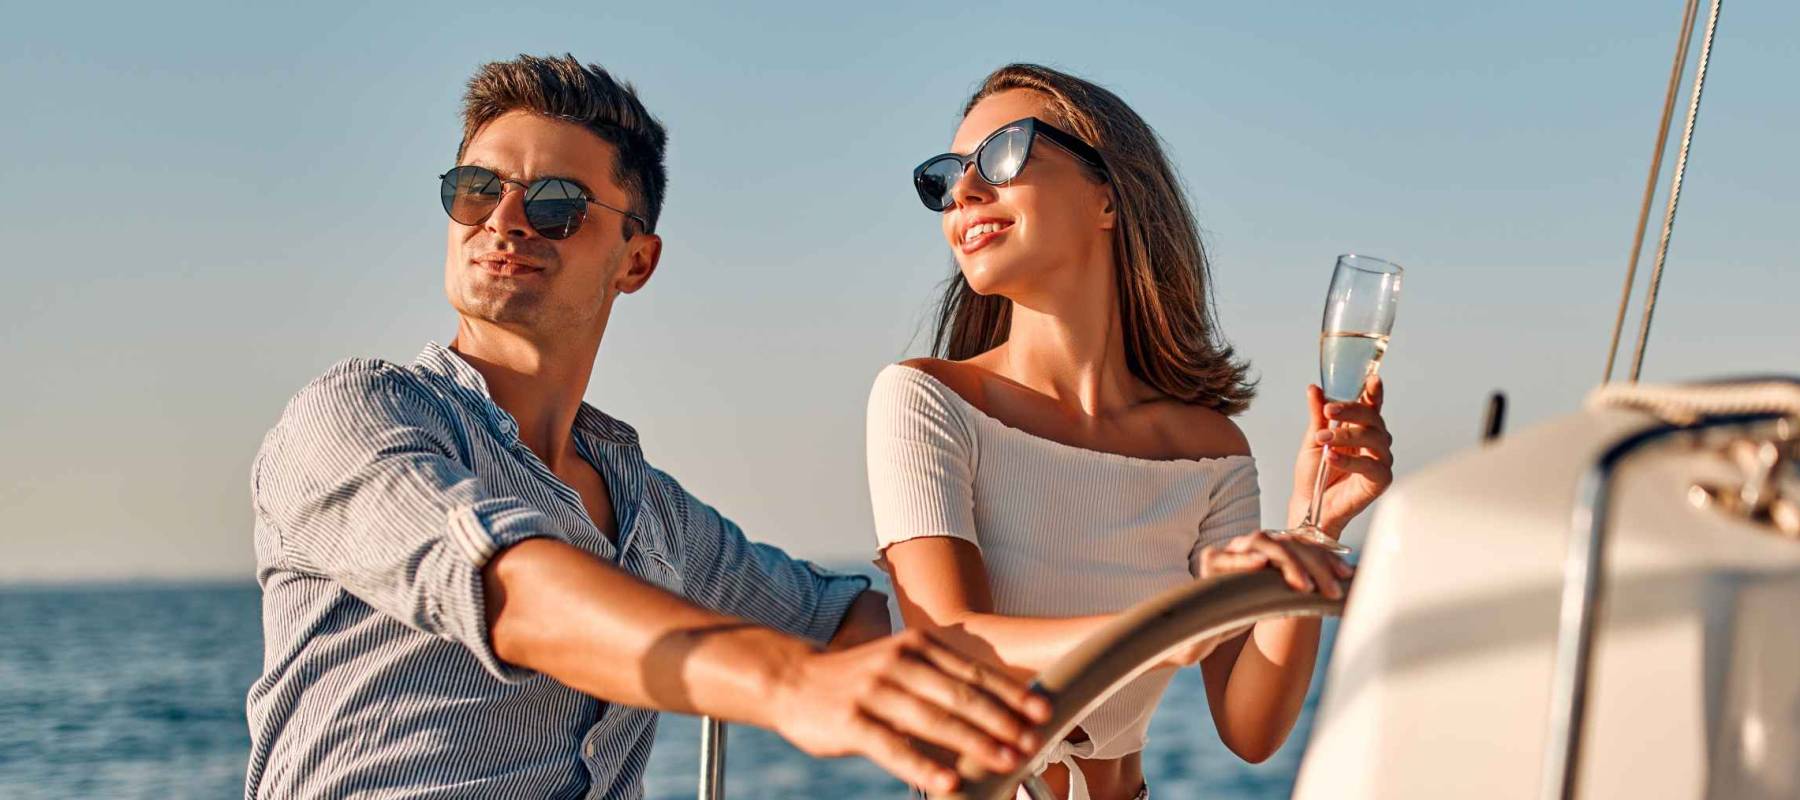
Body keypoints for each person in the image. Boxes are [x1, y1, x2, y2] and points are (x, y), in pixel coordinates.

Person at [246, 54, 1049, 800]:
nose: (506, 220)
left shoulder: (652, 517)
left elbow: (850, 622)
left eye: (556, 205)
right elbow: (508, 586)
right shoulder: (354, 417)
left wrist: (1133, 620)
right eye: (476, 190)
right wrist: (792, 684)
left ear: (636, 261)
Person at [867, 64, 1395, 800]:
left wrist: (1312, 530)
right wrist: (1170, 627)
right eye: (946, 178)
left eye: (1004, 155)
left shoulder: (1209, 450)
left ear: (1108, 194)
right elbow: (956, 643)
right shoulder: (925, 401)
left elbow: (1252, 730)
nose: (966, 192)